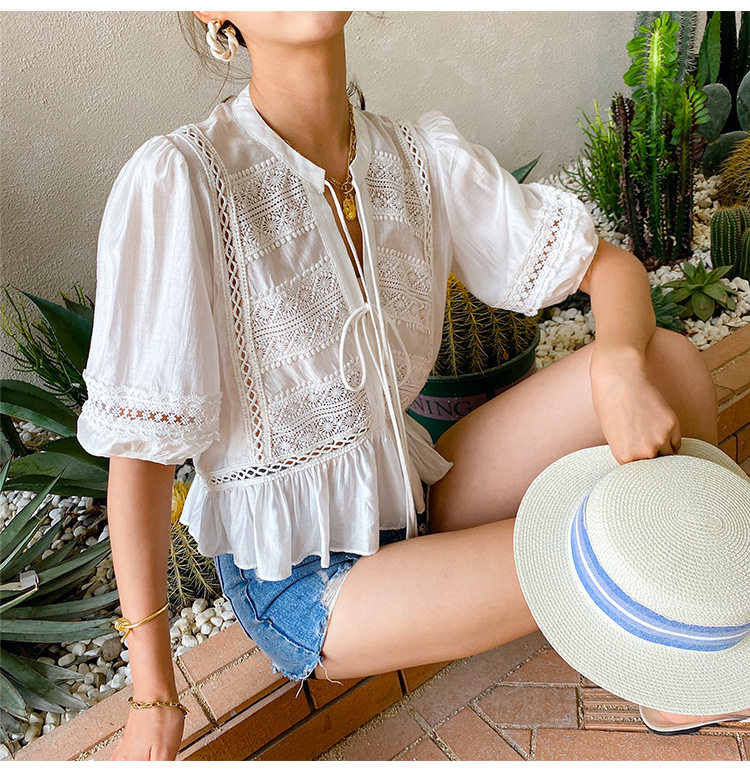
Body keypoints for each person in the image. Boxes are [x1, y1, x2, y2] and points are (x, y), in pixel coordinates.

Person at [75, 12, 729, 761]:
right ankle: (691, 628)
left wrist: (616, 365)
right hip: (305, 581)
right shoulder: (182, 180)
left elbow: (610, 270)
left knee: (667, 364)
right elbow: (141, 454)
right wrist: (153, 694)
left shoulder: (417, 158)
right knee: (607, 551)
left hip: (416, 494)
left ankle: (687, 658)